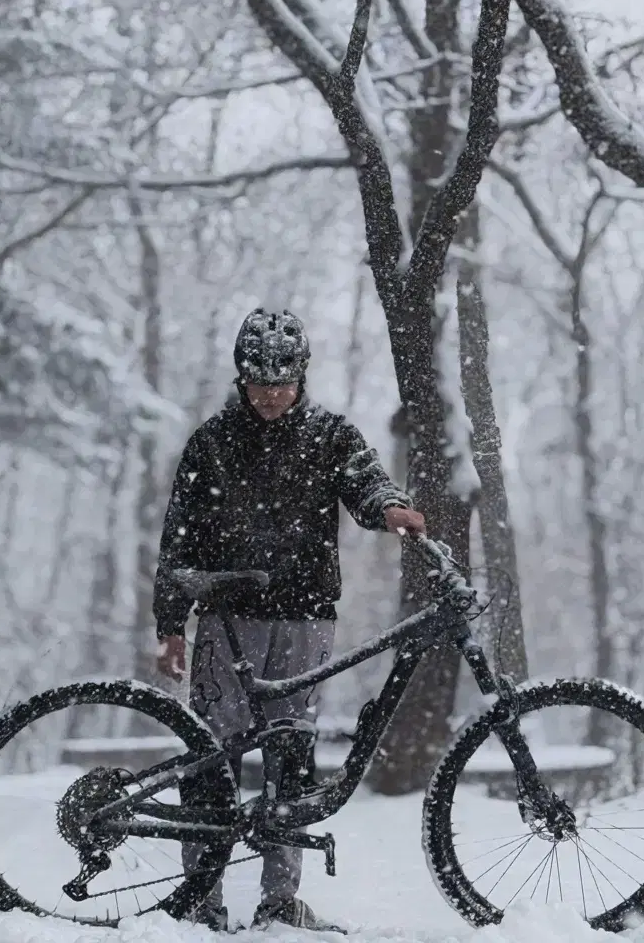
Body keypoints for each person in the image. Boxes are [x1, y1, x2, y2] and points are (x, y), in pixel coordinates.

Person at [153, 308, 425, 932]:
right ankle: (200, 898)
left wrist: (392, 510)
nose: (270, 393)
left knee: (291, 758)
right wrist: (171, 623)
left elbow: (366, 485)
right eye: (258, 380)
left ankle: (279, 900)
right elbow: (179, 541)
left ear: (302, 376)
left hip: (306, 618)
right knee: (210, 758)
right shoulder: (212, 442)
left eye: (282, 380)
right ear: (240, 377)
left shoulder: (330, 435)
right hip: (227, 618)